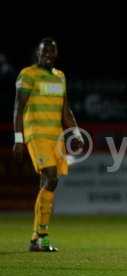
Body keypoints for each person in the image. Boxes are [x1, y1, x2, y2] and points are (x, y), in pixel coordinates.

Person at [13, 37, 83, 252]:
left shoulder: (60, 77)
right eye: (44, 51)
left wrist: (76, 132)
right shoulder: (28, 74)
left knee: (48, 182)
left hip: (56, 137)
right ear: (38, 53)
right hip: (36, 135)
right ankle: (41, 234)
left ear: (56, 54)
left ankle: (37, 239)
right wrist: (18, 138)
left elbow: (65, 110)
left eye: (52, 51)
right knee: (51, 177)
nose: (48, 55)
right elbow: (18, 107)